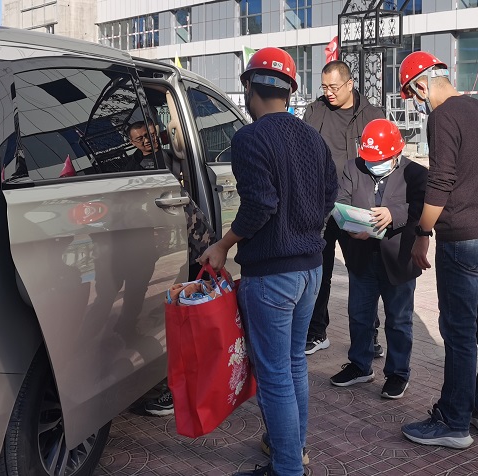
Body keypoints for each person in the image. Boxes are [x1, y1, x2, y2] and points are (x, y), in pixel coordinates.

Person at [198, 47, 337, 476]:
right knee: (293, 364)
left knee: (275, 374)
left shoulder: (249, 138)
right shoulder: (313, 137)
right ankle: (292, 448)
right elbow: (329, 195)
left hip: (273, 275)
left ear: (248, 87)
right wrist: (303, 226)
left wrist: (223, 244)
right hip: (311, 269)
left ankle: (287, 467)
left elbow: (260, 205)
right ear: (289, 90)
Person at [398, 51, 478, 449]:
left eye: (413, 95)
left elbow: (441, 181)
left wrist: (422, 231)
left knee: (459, 332)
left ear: (422, 85)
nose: (416, 102)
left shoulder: (442, 116)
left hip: (461, 239)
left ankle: (454, 421)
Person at [329, 119, 426, 399]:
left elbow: (422, 207)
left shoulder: (416, 174)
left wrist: (393, 214)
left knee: (398, 319)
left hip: (398, 257)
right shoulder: (353, 167)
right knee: (359, 315)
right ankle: (360, 365)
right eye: (370, 159)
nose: (374, 164)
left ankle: (397, 373)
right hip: (362, 255)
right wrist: (351, 224)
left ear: (398, 153)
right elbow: (341, 199)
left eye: (381, 160)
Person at [126, 119, 216, 417]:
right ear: (131, 141)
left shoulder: (176, 158)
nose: (146, 140)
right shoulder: (129, 167)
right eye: (139, 138)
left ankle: (182, 388)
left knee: (189, 311)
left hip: (189, 243)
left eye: (150, 134)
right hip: (163, 244)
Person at [303, 60, 386, 355]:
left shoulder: (372, 115)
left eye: (334, 87)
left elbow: (387, 161)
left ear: (350, 84)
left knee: (362, 275)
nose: (328, 92)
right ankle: (316, 332)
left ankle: (368, 338)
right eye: (324, 87)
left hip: (356, 207)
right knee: (319, 272)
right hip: (321, 207)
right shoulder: (315, 112)